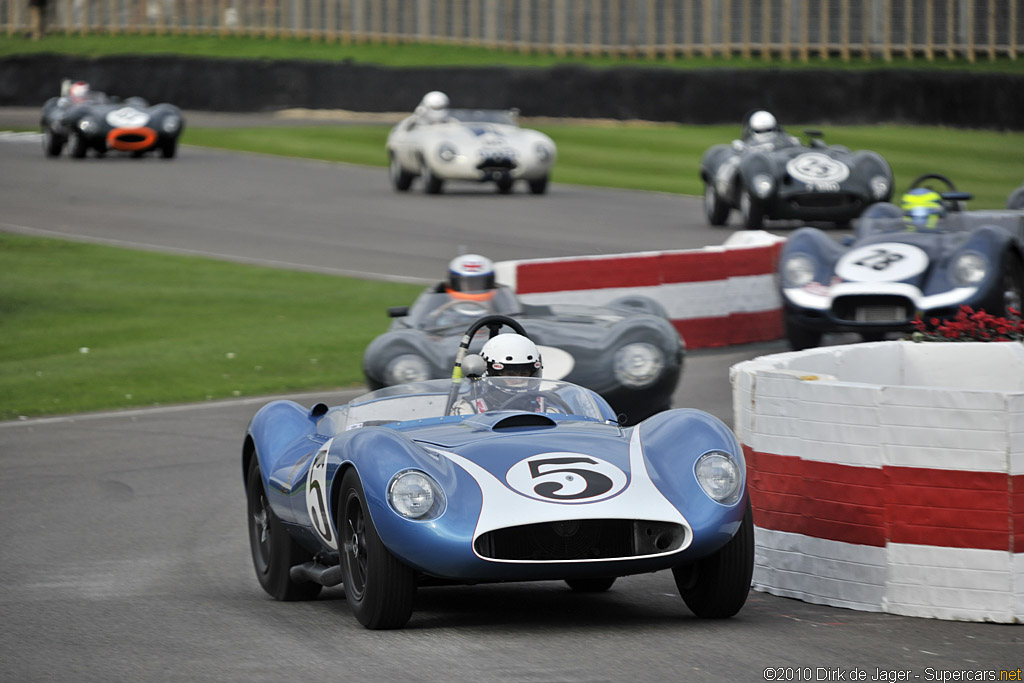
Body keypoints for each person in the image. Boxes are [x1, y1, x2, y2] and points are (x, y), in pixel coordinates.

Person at [455, 334, 548, 414]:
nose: (519, 380)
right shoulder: (469, 409)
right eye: (510, 374)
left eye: (524, 373)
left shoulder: (547, 406)